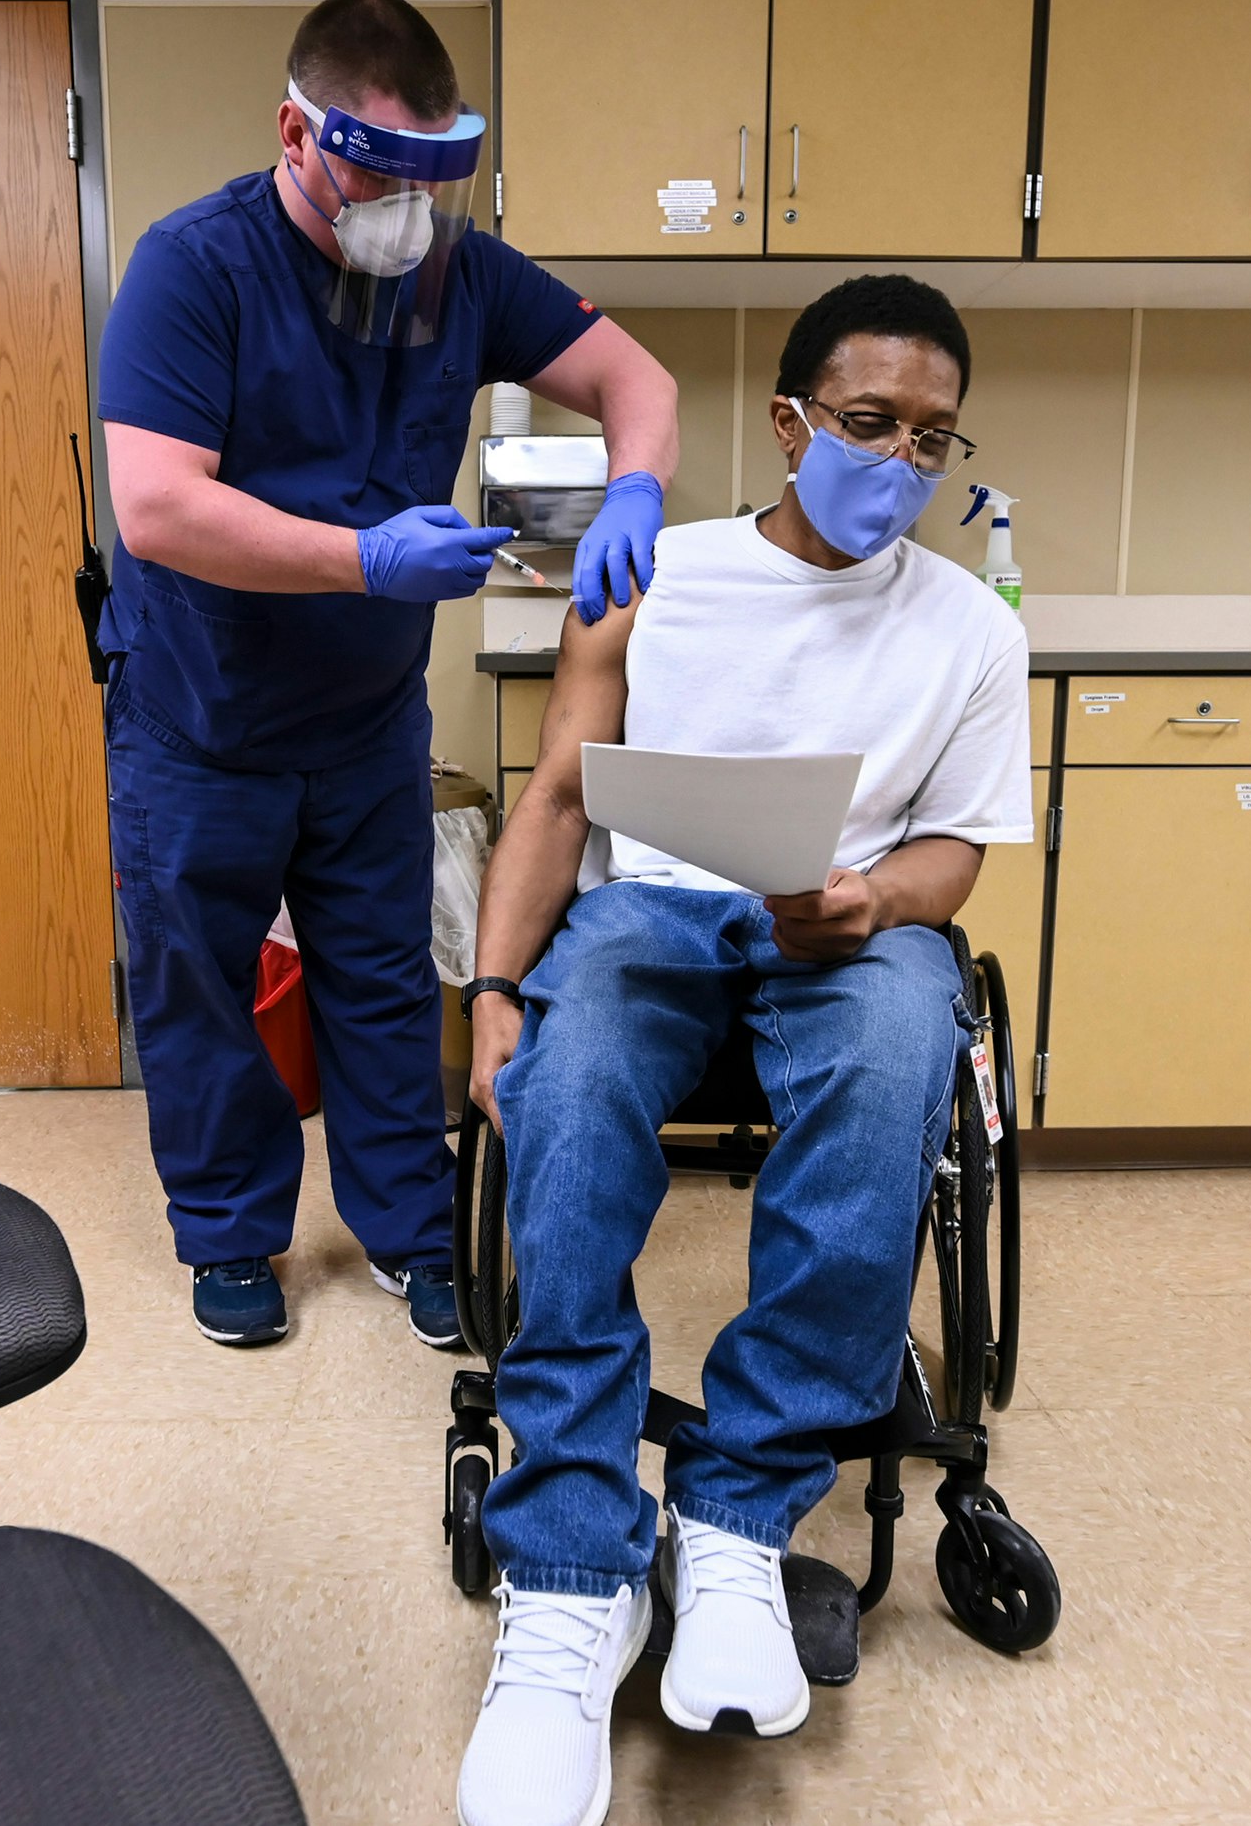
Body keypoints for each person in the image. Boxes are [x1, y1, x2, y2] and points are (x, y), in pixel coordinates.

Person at [451, 277, 1035, 1826]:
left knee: (900, 1051)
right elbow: (562, 802)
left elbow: (958, 852)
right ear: (788, 423)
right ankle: (576, 1570)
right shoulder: (655, 574)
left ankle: (733, 1518)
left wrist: (873, 895)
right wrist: (495, 990)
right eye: (866, 424)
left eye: (931, 437)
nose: (899, 461)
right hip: (658, 910)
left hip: (852, 923)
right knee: (564, 1092)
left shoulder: (972, 630)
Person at [99, 0, 678, 1351]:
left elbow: (634, 378)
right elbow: (159, 508)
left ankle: (414, 1233)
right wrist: (365, 560)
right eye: (379, 173)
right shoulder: (194, 267)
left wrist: (638, 486)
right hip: (203, 716)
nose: (407, 212)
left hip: (364, 723)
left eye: (438, 180)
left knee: (377, 974)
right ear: (295, 134)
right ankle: (233, 1233)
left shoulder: (457, 274)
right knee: (203, 980)